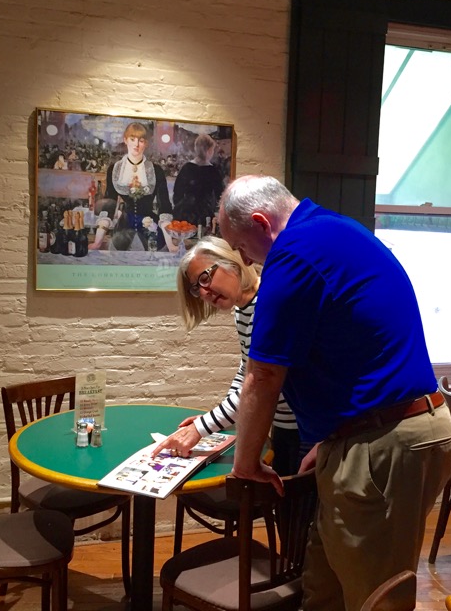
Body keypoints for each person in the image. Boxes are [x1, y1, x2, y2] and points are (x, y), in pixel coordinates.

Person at [217, 175, 451, 611]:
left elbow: (263, 376)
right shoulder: (335, 230)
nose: (243, 257)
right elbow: (357, 351)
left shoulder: (292, 254)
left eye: (240, 245)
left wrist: (246, 464)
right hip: (388, 429)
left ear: (262, 223)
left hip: (383, 441)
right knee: (324, 583)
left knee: (375, 598)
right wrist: (332, 439)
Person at [151, 236, 303, 477]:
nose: (203, 292)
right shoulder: (242, 309)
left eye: (205, 278)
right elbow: (247, 369)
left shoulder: (267, 303)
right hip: (283, 425)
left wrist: (201, 427)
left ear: (231, 262)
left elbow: (261, 382)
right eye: (196, 288)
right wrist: (218, 416)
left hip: (305, 428)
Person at [90, 122, 172, 251]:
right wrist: (97, 242)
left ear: (146, 143)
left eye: (141, 140)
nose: (136, 144)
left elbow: (164, 207)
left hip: (150, 225)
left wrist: (171, 244)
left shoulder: (156, 171)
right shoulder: (115, 169)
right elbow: (109, 205)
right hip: (124, 227)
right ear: (125, 140)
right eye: (132, 139)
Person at [171, 133, 224, 231]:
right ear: (209, 150)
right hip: (205, 213)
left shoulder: (186, 168)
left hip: (185, 212)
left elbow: (177, 193)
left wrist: (180, 207)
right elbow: (220, 195)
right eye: (212, 150)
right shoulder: (213, 171)